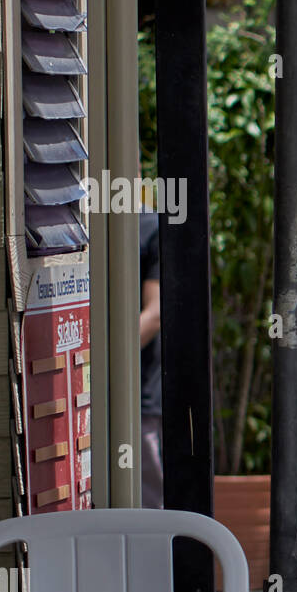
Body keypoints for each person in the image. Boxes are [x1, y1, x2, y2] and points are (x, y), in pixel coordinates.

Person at [139, 208, 163, 509]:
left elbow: (155, 314)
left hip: (141, 398)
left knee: (150, 509)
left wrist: (100, 371)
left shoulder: (152, 227)